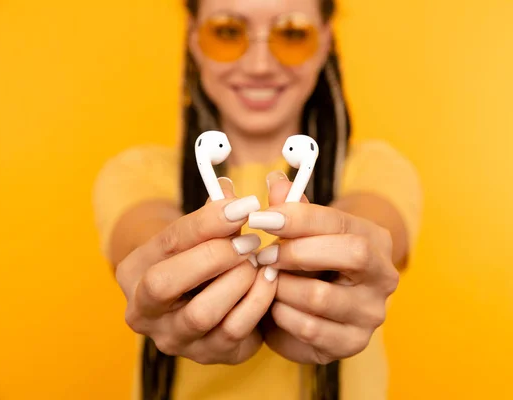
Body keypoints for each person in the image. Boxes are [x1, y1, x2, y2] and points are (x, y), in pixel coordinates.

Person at [92, 0, 423, 399]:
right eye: (229, 32)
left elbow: (374, 229)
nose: (260, 65)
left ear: (324, 44)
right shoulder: (136, 172)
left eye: (292, 33)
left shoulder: (377, 168)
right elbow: (143, 236)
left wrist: (345, 261)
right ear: (194, 39)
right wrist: (167, 266)